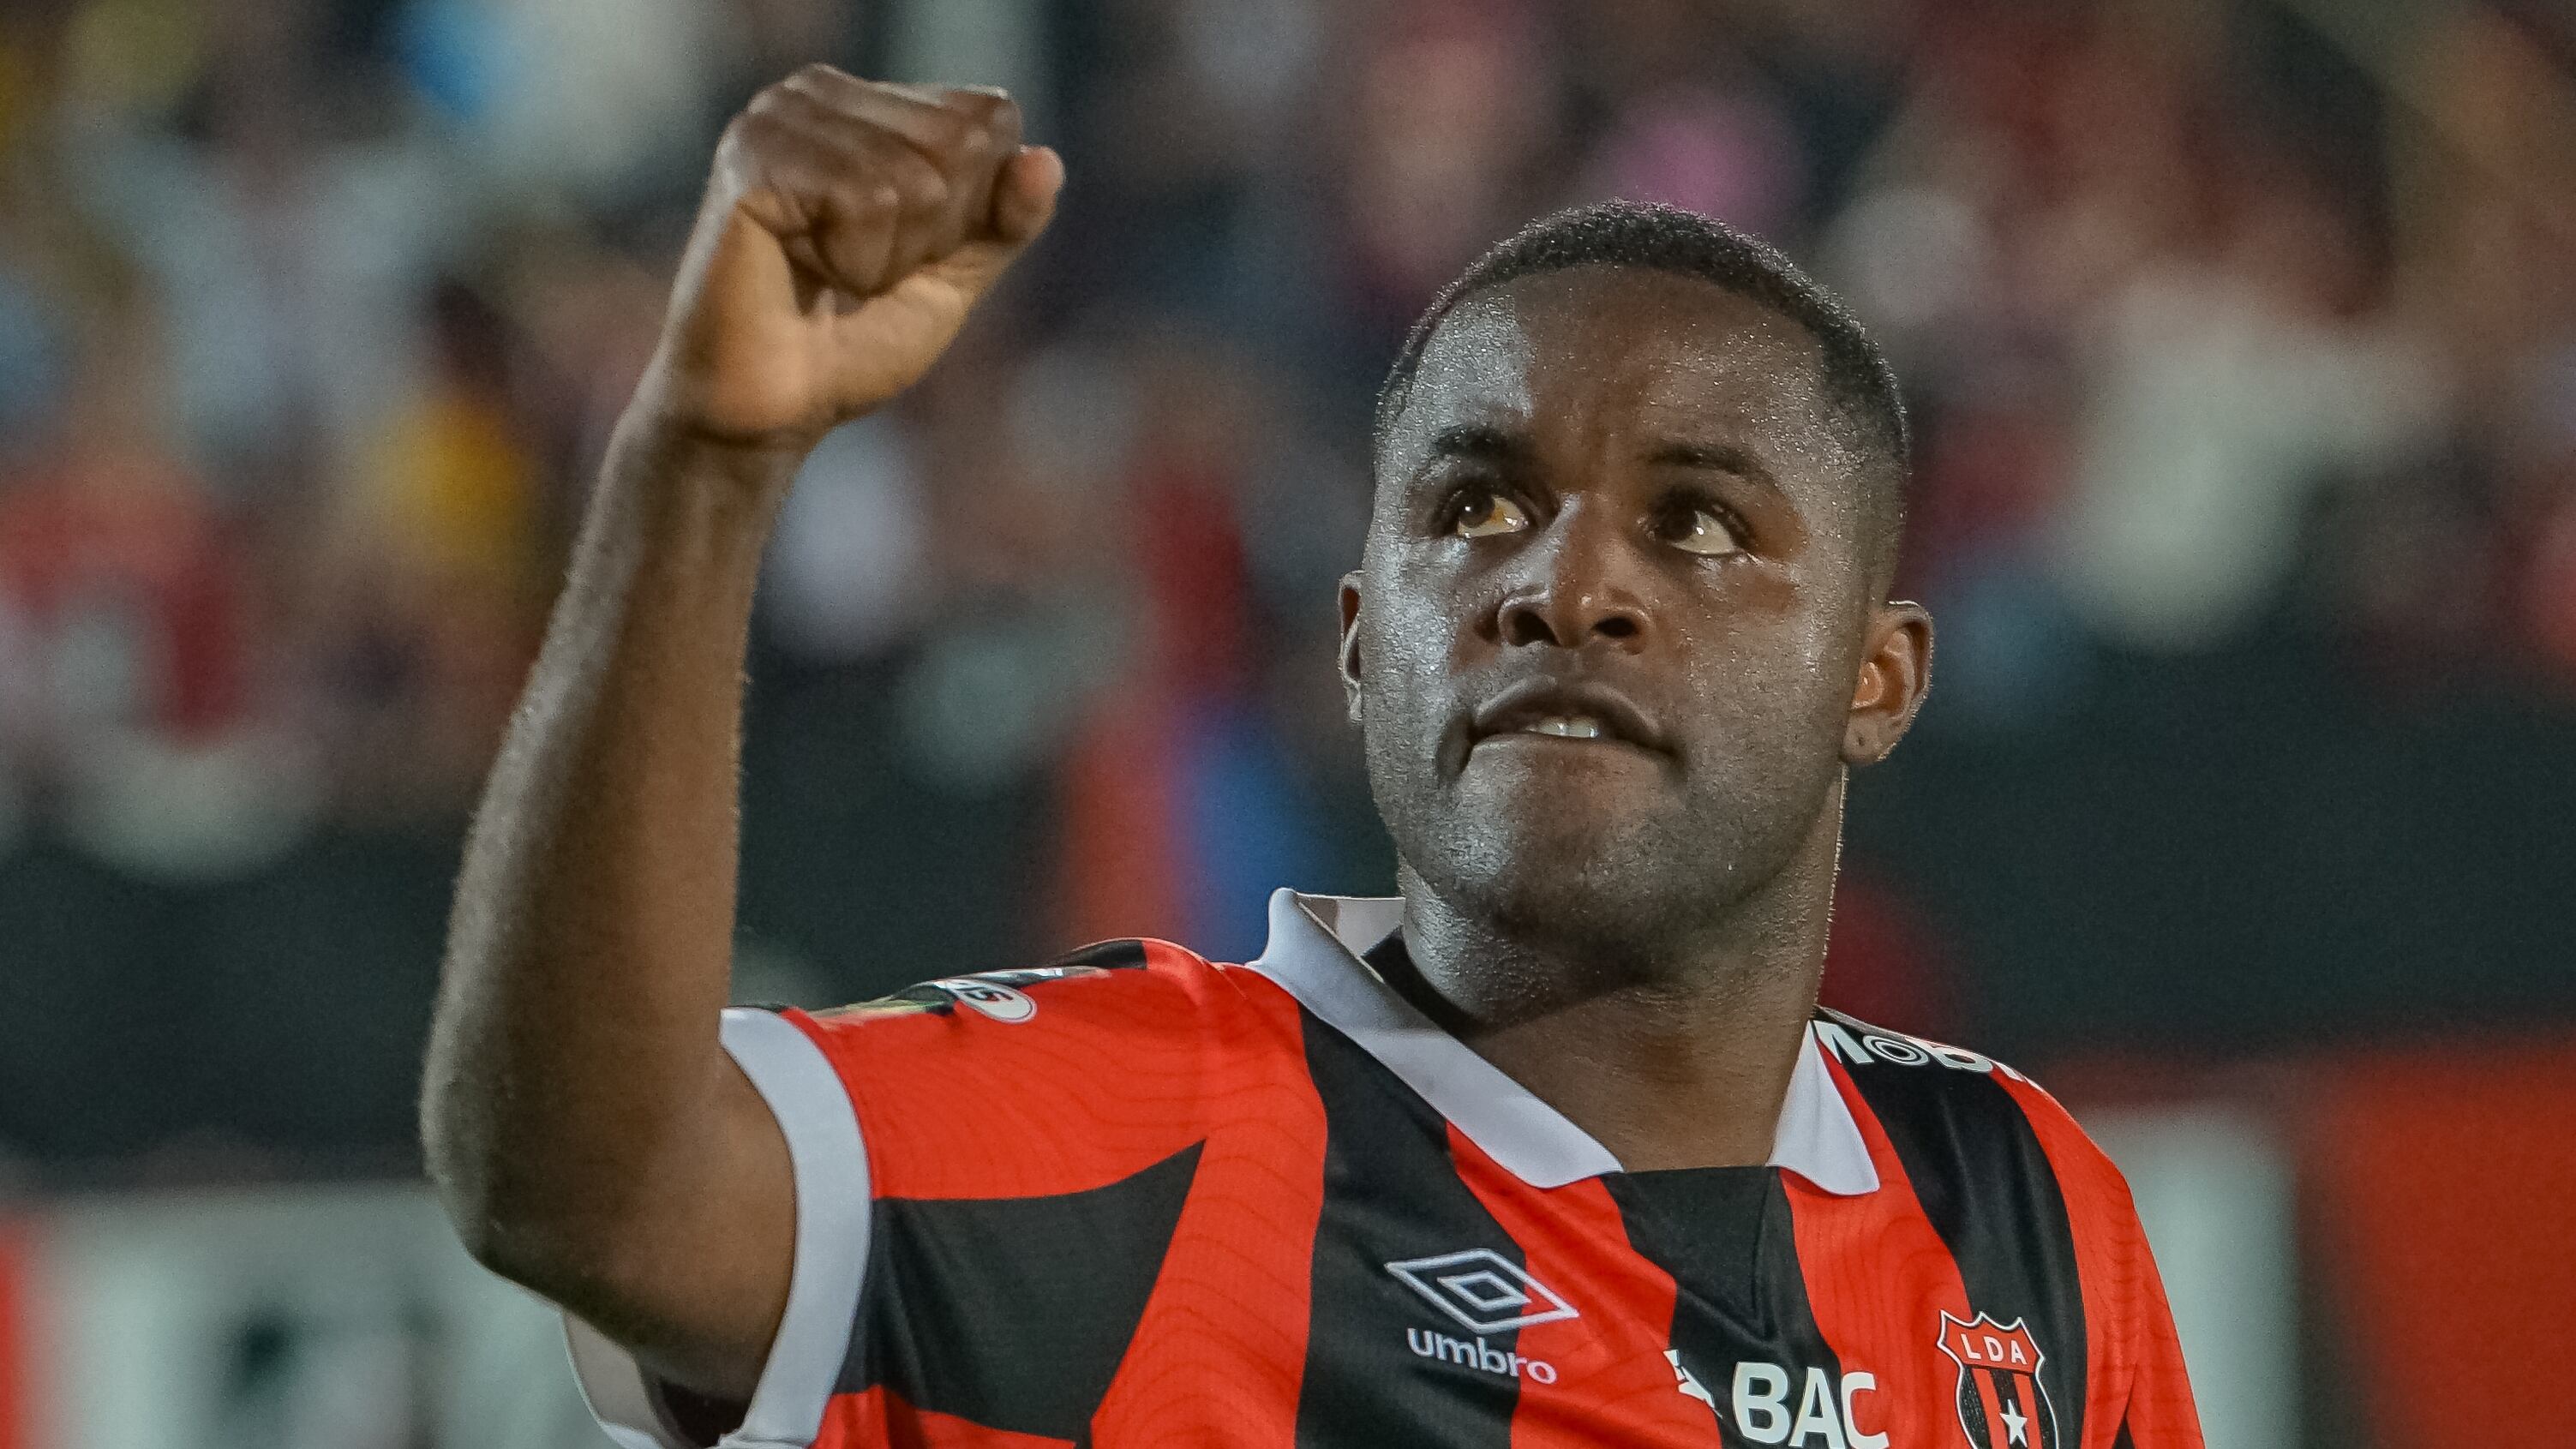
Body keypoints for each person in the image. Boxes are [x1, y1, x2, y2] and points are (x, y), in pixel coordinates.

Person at [421, 67, 2204, 1449]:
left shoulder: (2021, 1211)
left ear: (1876, 679)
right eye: (1478, 505)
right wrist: (703, 467)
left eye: (1701, 524)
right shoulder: (1149, 1144)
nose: (1565, 583)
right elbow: (593, 1191)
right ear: (1362, 645)